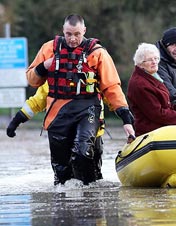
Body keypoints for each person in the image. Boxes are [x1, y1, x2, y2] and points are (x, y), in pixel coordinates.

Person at [17, 14, 135, 185]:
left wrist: (125, 117)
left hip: (88, 109)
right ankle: (65, 203)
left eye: (77, 34)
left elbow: (111, 88)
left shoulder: (98, 53)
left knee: (82, 152)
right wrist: (45, 66)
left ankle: (91, 195)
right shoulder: (48, 48)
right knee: (62, 172)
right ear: (63, 31)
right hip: (58, 112)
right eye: (68, 34)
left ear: (84, 31)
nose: (72, 39)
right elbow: (32, 80)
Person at [6, 81, 106, 180]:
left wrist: (122, 114)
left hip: (92, 134)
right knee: (63, 178)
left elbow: (112, 94)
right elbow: (36, 102)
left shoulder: (95, 74)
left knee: (92, 175)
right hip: (63, 134)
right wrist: (16, 121)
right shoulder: (54, 78)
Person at [127, 43, 176, 136]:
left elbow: (167, 104)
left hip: (165, 125)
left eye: (156, 58)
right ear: (140, 63)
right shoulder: (140, 84)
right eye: (150, 60)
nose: (154, 62)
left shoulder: (153, 76)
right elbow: (157, 114)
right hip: (152, 130)